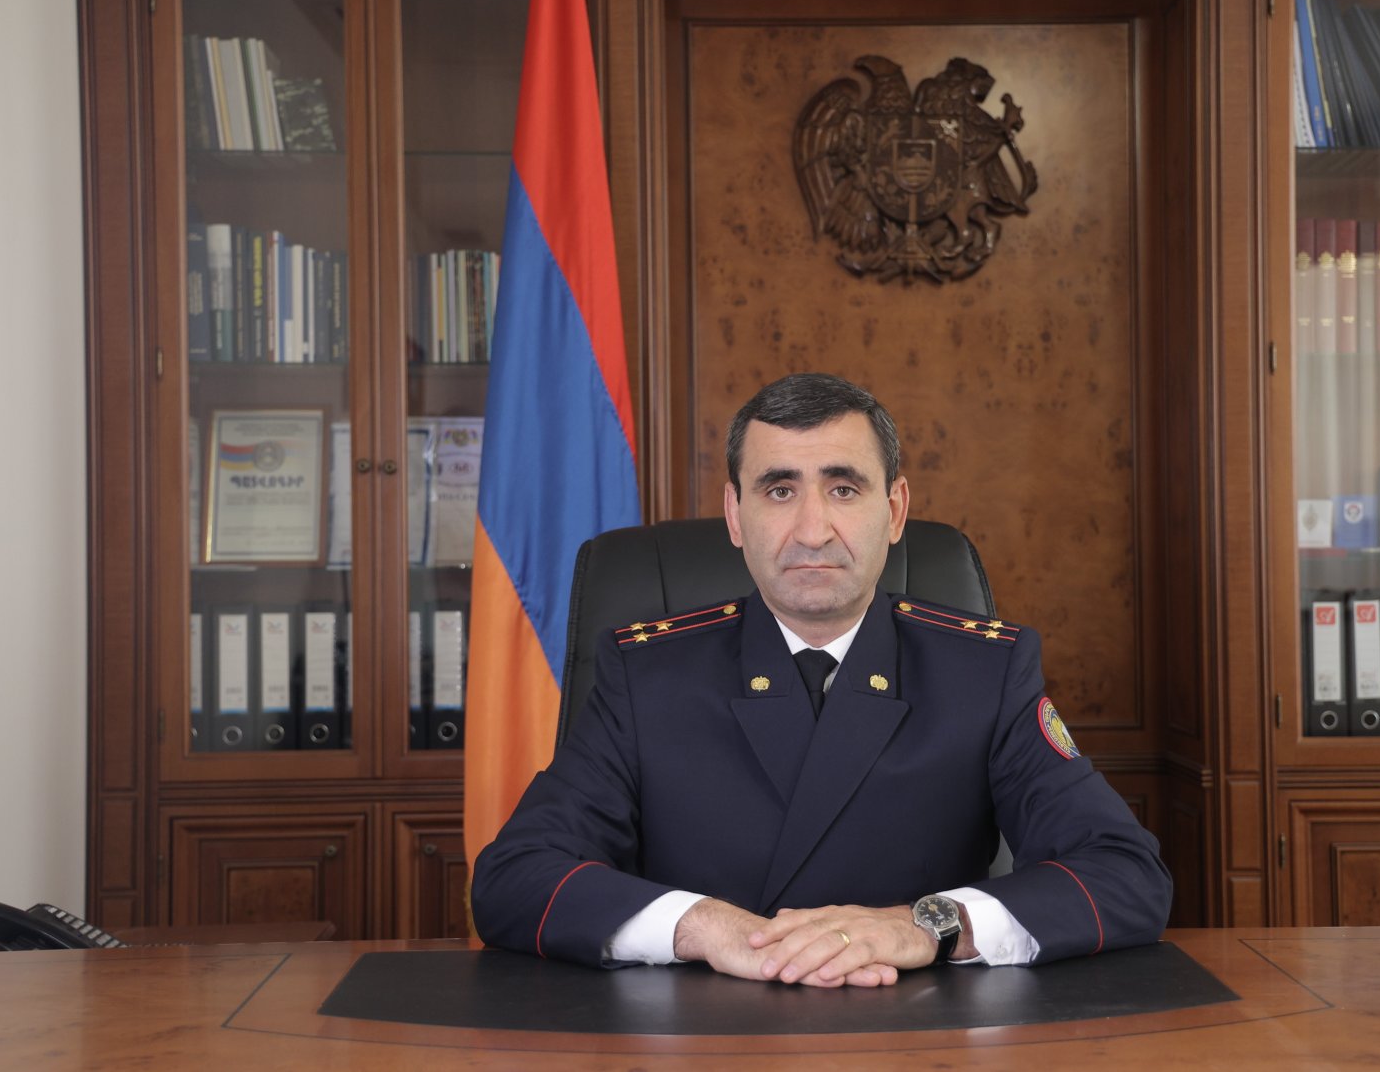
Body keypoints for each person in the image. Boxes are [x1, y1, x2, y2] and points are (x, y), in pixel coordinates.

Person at [472, 373, 1171, 987]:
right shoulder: (647, 674)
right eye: (780, 490)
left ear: (894, 510)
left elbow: (1126, 874)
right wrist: (704, 927)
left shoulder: (984, 672)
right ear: (735, 516)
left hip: (920, 1035)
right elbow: (514, 876)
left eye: (843, 488)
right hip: (705, 1036)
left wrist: (925, 925)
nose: (812, 529)